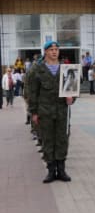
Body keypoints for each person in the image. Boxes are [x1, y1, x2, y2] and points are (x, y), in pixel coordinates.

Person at [28, 40, 74, 183]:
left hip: (61, 110)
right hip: (45, 111)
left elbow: (73, 89)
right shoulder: (37, 70)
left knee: (62, 139)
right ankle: (50, 170)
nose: (54, 52)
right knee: (48, 140)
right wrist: (34, 113)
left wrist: (71, 98)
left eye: (56, 49)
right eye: (51, 49)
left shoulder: (66, 69)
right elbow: (32, 93)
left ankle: (61, 170)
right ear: (45, 52)